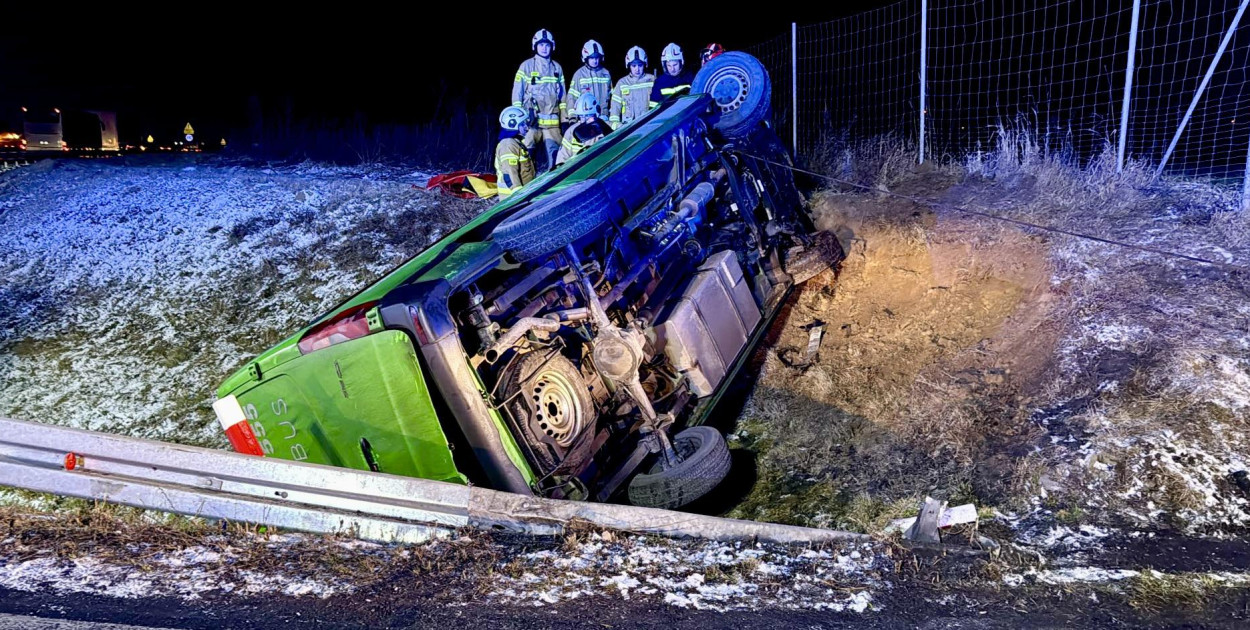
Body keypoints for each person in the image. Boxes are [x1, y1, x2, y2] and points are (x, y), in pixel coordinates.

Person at [512, 28, 566, 173]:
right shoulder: (526, 66)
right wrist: (520, 120)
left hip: (552, 125)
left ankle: (554, 188)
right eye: (541, 44)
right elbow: (517, 95)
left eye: (547, 45)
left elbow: (563, 98)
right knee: (526, 155)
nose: (544, 48)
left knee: (557, 159)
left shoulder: (557, 68)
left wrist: (565, 120)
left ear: (552, 46)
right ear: (535, 46)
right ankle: (527, 187)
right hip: (531, 123)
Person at [555, 93, 613, 167]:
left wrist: (605, 127)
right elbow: (562, 158)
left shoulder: (606, 126)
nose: (584, 120)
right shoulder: (572, 131)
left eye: (588, 116)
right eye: (581, 116)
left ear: (596, 114)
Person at [609, 46, 656, 129]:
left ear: (645, 64)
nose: (637, 69)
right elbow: (615, 108)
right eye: (634, 66)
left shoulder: (652, 80)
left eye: (640, 65)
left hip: (649, 125)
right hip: (628, 127)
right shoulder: (622, 83)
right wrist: (616, 125)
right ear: (629, 65)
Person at [566, 40, 612, 122]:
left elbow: (612, 98)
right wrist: (572, 118)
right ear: (586, 58)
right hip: (586, 119)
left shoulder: (606, 73)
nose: (595, 61)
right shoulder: (579, 74)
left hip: (604, 118)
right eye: (592, 58)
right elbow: (571, 98)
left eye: (597, 58)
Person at [495, 106, 536, 198]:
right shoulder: (508, 144)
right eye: (523, 124)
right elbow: (509, 173)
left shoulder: (515, 142)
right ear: (513, 124)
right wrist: (518, 196)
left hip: (524, 192)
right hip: (512, 197)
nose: (527, 127)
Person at [649, 43, 696, 109]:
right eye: (669, 65)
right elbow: (653, 107)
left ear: (681, 62)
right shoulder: (660, 82)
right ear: (665, 65)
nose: (672, 69)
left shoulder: (691, 78)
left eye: (675, 65)